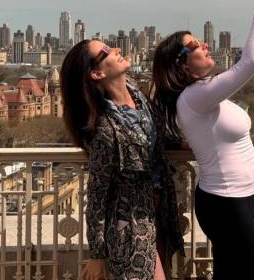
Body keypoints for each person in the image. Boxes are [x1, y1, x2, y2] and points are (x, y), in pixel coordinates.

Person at [151, 0, 254, 280]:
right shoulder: (195, 97)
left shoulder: (206, 96)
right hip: (226, 203)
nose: (205, 45)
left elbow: (228, 139)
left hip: (239, 198)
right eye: (194, 45)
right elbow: (251, 63)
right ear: (181, 63)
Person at [60, 40, 184, 280]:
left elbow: (154, 139)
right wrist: (97, 253)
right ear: (97, 73)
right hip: (129, 227)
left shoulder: (138, 96)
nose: (116, 50)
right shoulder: (105, 128)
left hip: (158, 214)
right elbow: (97, 193)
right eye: (106, 52)